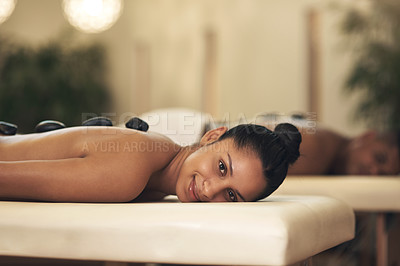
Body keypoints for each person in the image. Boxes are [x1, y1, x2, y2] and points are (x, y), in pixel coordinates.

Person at [0, 123, 302, 203]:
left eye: (232, 195)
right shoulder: (132, 170)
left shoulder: (156, 174)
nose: (211, 191)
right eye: (222, 168)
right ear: (212, 136)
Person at [287, 126, 400, 175]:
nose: (374, 171)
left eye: (382, 174)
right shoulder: (314, 146)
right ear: (367, 136)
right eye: (379, 158)